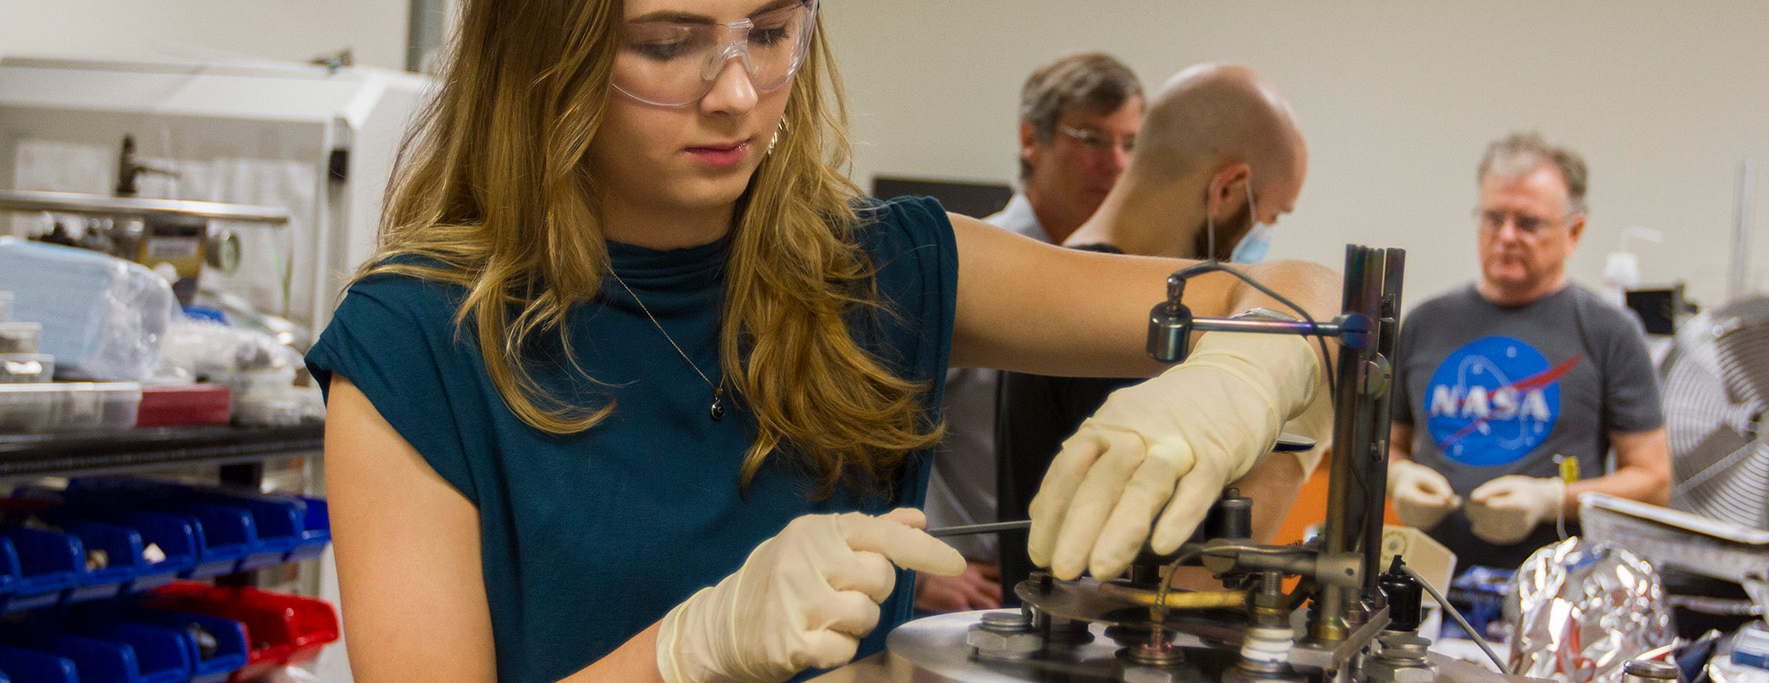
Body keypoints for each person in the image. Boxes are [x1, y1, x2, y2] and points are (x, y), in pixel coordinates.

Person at [313, 1, 1338, 681]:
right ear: (542, 50)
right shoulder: (416, 344)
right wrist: (686, 647)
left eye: (768, 30)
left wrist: (1247, 368)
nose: (735, 91)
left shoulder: (885, 270)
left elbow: (1312, 294)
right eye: (668, 42)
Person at [995, 63, 1326, 602]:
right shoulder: (1128, 317)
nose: (1266, 237)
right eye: (1272, 216)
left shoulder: (1081, 276)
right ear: (1228, 189)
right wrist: (1296, 456)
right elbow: (1184, 588)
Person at [918, 51, 1145, 613]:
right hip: (966, 596)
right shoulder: (964, 267)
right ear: (1030, 139)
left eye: (1130, 143)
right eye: (1092, 137)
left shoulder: (1119, 277)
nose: (1115, 162)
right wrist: (917, 574)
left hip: (1069, 595)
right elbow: (859, 431)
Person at [1386, 132, 1671, 571]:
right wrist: (1397, 475)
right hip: (1426, 583)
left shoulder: (1608, 331)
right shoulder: (1425, 323)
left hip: (1553, 590)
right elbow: (1385, 445)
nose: (1506, 236)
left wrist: (1553, 499)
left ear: (1574, 231)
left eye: (1529, 223)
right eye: (1493, 217)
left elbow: (1653, 481)